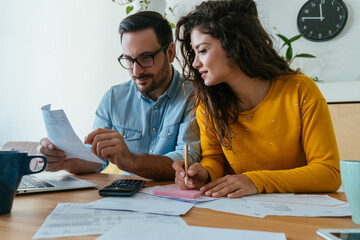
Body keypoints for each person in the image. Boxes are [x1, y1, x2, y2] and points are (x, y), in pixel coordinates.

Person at [173, 0, 341, 197]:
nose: (195, 62)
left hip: (301, 215)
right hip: (243, 213)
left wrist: (256, 180)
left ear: (234, 45)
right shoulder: (208, 105)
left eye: (202, 50)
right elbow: (214, 159)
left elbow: (329, 173)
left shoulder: (300, 90)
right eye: (194, 52)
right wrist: (204, 173)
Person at [40, 11, 200, 180]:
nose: (136, 71)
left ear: (169, 52)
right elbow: (95, 159)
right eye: (129, 59)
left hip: (175, 200)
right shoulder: (113, 98)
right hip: (125, 199)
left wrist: (130, 160)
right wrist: (62, 161)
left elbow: (186, 162)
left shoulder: (193, 95)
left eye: (146, 58)